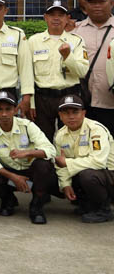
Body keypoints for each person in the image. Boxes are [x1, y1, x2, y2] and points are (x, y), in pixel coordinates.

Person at [0, 90, 56, 224]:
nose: (4, 114)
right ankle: (8, 199)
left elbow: (50, 151)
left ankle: (37, 205)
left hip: (31, 173)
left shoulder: (27, 126)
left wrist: (27, 153)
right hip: (9, 174)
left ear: (15, 110)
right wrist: (14, 177)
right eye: (0, 109)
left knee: (43, 165)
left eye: (8, 109)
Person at [28, 0, 88, 140]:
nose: (56, 18)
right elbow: (28, 74)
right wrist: (31, 102)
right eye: (52, 15)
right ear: (45, 17)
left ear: (67, 18)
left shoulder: (77, 41)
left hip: (69, 95)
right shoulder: (34, 41)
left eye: (60, 15)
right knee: (42, 139)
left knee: (70, 138)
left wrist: (68, 57)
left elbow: (82, 72)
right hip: (42, 99)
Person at [52, 94, 114, 223]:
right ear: (60, 116)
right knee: (53, 173)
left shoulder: (95, 130)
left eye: (75, 112)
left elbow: (98, 162)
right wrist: (65, 185)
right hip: (88, 173)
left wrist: (67, 163)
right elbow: (60, 165)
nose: (71, 116)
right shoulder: (60, 135)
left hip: (109, 174)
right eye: (66, 113)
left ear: (83, 113)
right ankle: (87, 204)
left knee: (88, 175)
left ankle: (103, 209)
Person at [73, 0, 114, 133]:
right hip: (84, 101)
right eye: (92, 2)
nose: (97, 6)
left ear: (111, 3)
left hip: (110, 101)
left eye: (101, 1)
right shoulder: (75, 30)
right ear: (85, 5)